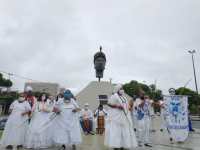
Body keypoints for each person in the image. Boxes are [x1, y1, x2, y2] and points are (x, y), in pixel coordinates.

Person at [104, 84, 137, 150]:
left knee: (124, 132)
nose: (122, 90)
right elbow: (109, 104)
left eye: (122, 88)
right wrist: (117, 106)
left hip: (124, 117)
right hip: (116, 117)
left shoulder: (124, 97)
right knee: (116, 132)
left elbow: (127, 105)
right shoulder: (114, 96)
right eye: (121, 88)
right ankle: (116, 146)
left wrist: (130, 106)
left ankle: (122, 145)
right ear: (117, 89)